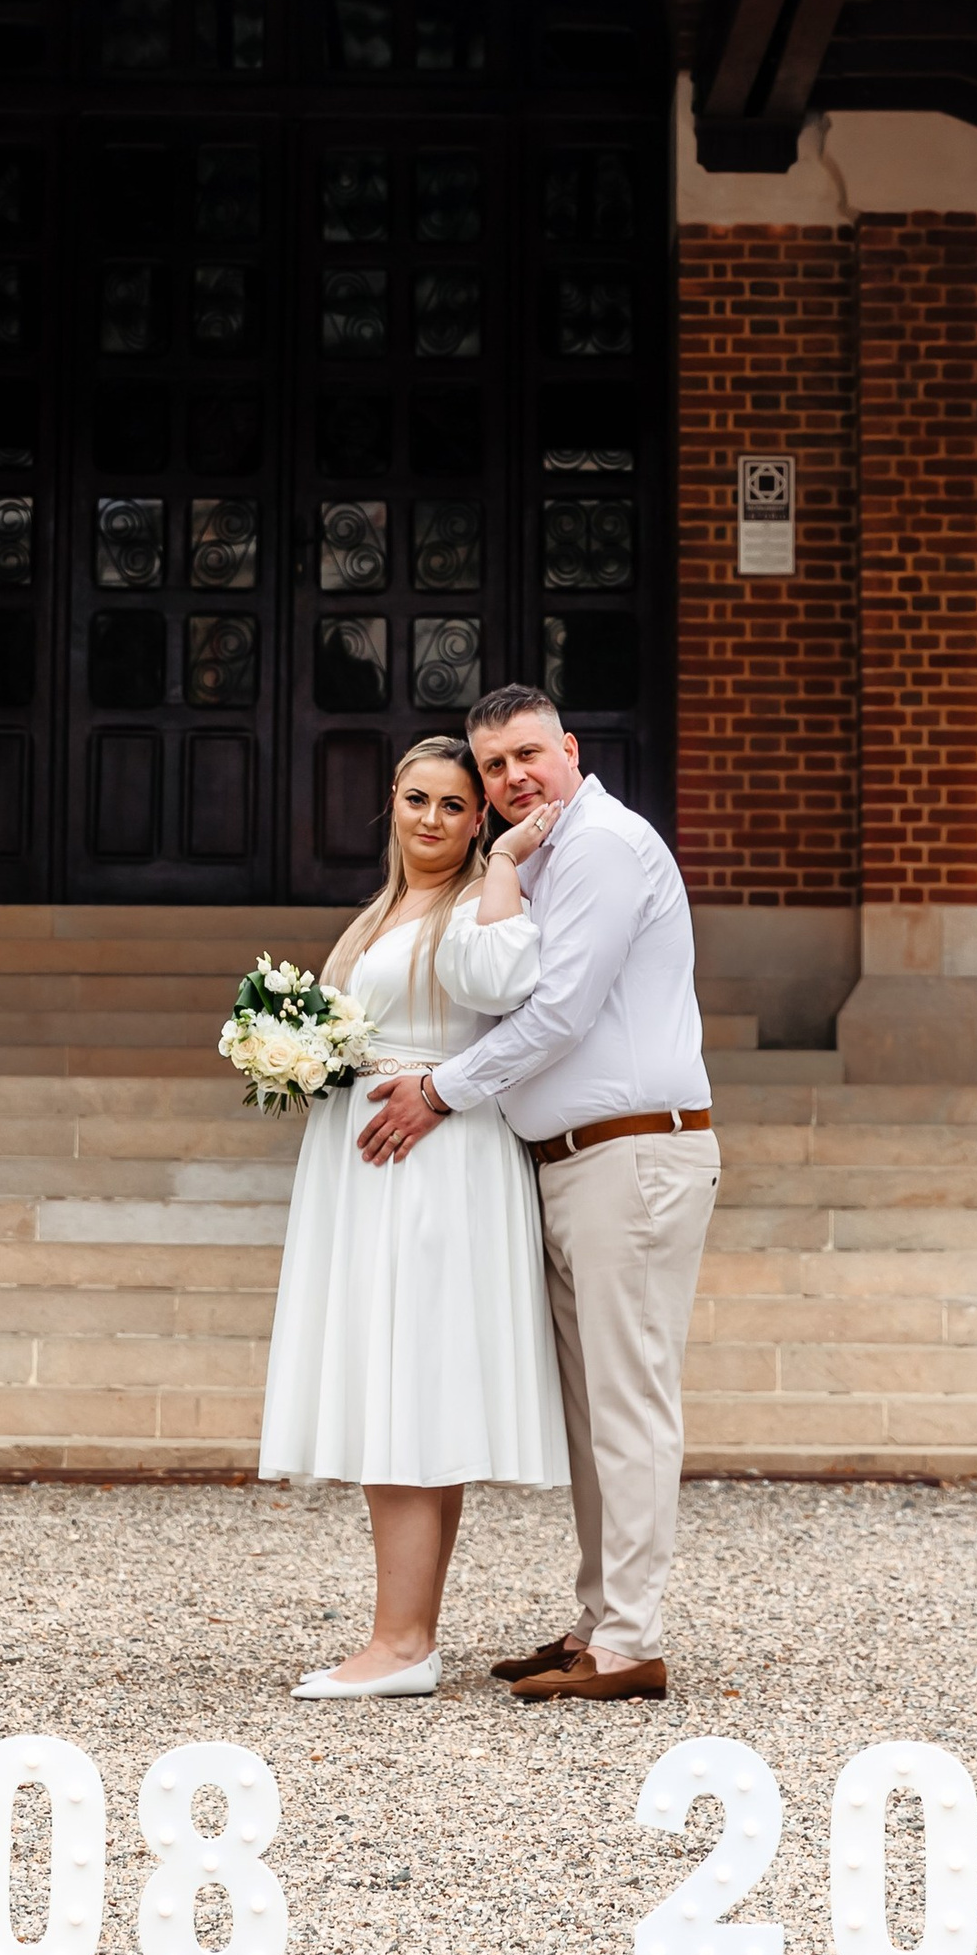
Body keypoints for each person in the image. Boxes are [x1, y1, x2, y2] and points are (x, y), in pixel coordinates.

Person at [358, 684, 717, 1706]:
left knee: (630, 1408)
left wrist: (437, 1089)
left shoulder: (602, 844)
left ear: (569, 745)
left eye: (527, 755)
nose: (513, 777)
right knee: (598, 1414)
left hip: (632, 1157)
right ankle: (599, 1623)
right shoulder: (541, 856)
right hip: (570, 1161)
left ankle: (629, 1638)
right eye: (495, 767)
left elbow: (558, 1014)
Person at [256, 737, 567, 1699]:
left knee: (408, 1389)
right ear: (391, 803)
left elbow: (509, 984)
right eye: (416, 800)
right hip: (374, 1161)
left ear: (481, 819)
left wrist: (509, 864)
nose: (432, 820)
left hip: (433, 1163)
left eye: (454, 807)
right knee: (407, 1389)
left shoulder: (482, 896)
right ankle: (410, 1639)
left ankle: (398, 1643)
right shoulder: (383, 911)